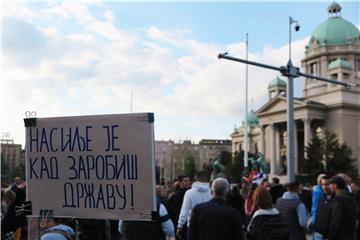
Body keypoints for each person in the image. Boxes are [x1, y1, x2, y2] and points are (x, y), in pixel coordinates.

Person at [176, 171, 211, 240]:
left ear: (195, 179)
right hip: (208, 226)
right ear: (206, 179)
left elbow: (184, 211)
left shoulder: (189, 193)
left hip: (193, 226)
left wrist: (180, 225)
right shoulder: (212, 191)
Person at [325, 175, 357, 240]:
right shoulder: (351, 198)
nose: (329, 186)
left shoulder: (338, 201)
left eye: (330, 184)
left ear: (335, 185)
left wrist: (329, 236)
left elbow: (334, 223)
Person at [311, 173, 327, 240]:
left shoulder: (319, 190)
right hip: (318, 220)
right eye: (323, 184)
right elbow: (315, 206)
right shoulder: (318, 191)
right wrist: (314, 220)